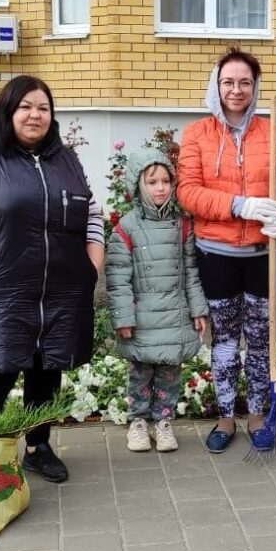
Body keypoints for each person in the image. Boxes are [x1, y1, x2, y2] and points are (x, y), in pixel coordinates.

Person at [0, 75, 105, 483]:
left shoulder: (66, 159)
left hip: (61, 292)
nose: (35, 115)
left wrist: (91, 267)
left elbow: (94, 213)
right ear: (8, 111)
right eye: (26, 107)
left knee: (46, 371)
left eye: (43, 108)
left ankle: (38, 446)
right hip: (3, 292)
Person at [177, 47, 276, 454]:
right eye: (228, 82)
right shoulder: (197, 134)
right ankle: (225, 416)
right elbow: (188, 192)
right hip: (216, 253)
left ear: (255, 87)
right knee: (226, 339)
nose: (236, 89)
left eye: (245, 82)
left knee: (259, 335)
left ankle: (257, 415)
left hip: (264, 254)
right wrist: (238, 205)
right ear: (217, 85)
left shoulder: (275, 133)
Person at [105, 147, 209, 453]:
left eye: (166, 181)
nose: (160, 187)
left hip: (174, 315)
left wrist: (197, 308)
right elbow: (118, 277)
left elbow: (191, 271)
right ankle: (138, 423)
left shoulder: (183, 225)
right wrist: (123, 317)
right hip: (142, 318)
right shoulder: (127, 227)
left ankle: (164, 422)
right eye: (152, 182)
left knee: (169, 373)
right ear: (139, 185)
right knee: (140, 373)